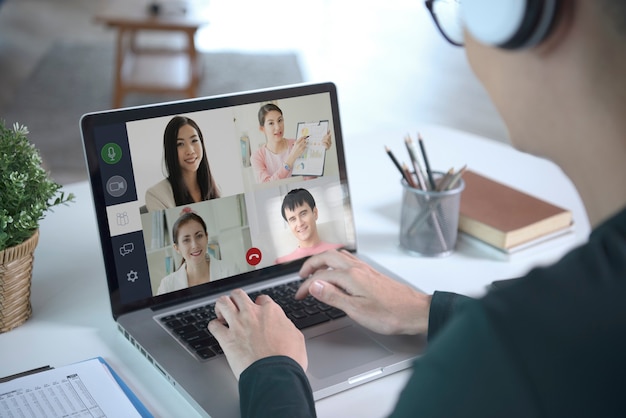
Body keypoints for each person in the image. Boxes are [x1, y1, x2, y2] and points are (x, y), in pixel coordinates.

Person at [208, 1, 626, 417]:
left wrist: (270, 372)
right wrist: (429, 310)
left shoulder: (489, 363)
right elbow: (550, 337)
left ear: (517, 14)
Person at [145, 116, 220, 211]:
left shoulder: (216, 188)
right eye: (180, 144)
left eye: (194, 141)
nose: (190, 151)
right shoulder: (156, 195)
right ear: (171, 151)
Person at [157, 211, 239, 295]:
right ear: (177, 248)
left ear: (206, 237)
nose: (195, 245)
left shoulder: (230, 271)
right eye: (186, 240)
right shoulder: (166, 286)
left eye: (199, 236)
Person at [251, 103, 332, 183]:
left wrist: (320, 149)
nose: (278, 127)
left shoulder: (297, 144)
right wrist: (292, 157)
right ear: (262, 129)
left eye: (280, 120)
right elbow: (267, 185)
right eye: (271, 123)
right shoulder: (257, 157)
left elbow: (310, 180)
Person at [275, 188, 342, 264]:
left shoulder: (339, 251)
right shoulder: (281, 263)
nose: (300, 223)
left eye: (303, 214)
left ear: (315, 213)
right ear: (289, 224)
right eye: (293, 219)